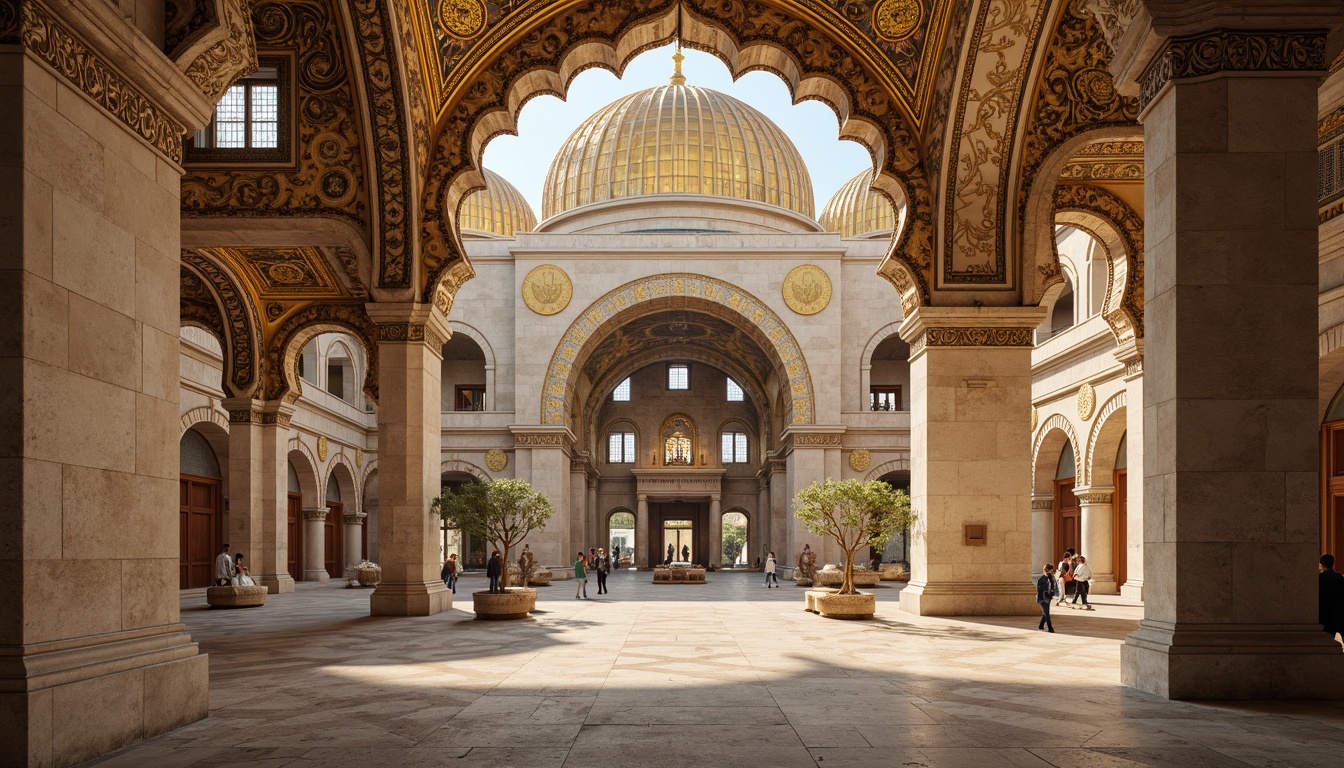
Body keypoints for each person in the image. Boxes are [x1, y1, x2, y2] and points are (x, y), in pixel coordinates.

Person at [1321, 554, 1344, 641]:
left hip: (1325, 613)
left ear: (1322, 565)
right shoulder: (1339, 578)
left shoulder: (1320, 579)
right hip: (1339, 612)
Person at [1036, 563, 1057, 632]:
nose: (1052, 571)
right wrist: (1046, 592)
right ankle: (1050, 628)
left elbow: (1053, 587)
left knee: (1046, 612)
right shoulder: (1041, 579)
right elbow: (1039, 590)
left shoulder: (1052, 578)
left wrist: (1052, 592)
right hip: (1042, 598)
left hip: (1048, 597)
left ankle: (1041, 625)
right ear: (1048, 570)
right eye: (1051, 570)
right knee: (1047, 613)